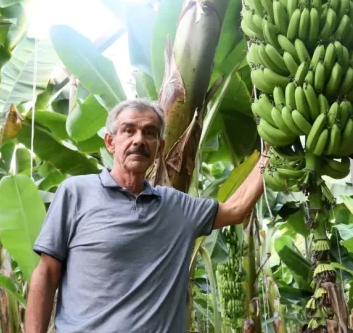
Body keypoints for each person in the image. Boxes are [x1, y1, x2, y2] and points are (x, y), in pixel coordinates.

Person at [23, 98, 267, 333]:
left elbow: (236, 209)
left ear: (159, 147)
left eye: (149, 133)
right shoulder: (76, 193)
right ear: (110, 141)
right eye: (128, 131)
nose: (139, 140)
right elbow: (47, 272)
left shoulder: (176, 206)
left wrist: (272, 146)